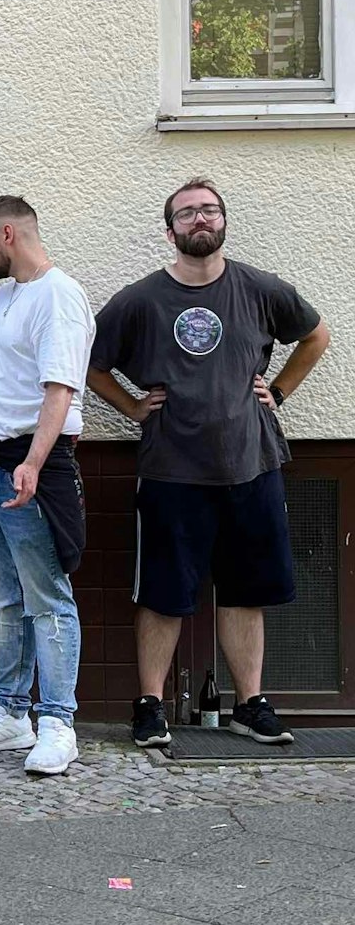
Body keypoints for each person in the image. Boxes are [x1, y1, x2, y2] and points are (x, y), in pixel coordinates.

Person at [87, 178, 331, 750]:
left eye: (210, 210)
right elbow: (93, 366)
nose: (200, 219)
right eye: (188, 213)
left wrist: (281, 391)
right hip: (172, 469)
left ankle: (251, 705)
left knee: (246, 591)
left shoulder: (258, 288)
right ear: (169, 229)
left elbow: (316, 335)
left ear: (223, 221)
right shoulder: (140, 300)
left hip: (252, 463)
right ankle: (149, 705)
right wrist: (133, 408)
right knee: (164, 593)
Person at [0, 195, 95, 777]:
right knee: (6, 602)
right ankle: (11, 715)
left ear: (6, 234)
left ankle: (59, 724)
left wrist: (32, 464)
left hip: (27, 465)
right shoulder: (4, 298)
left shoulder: (59, 295)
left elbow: (60, 389)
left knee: (48, 599)